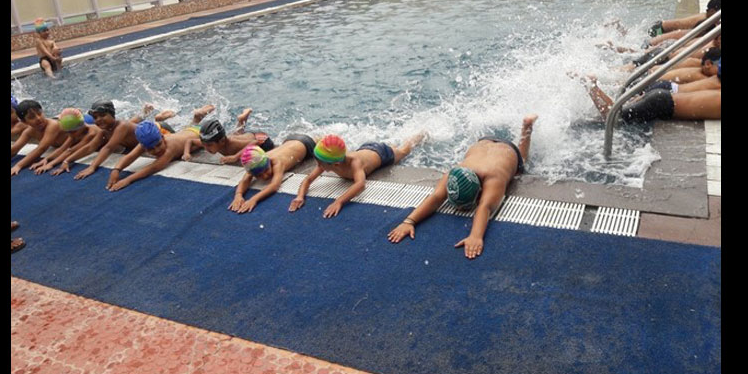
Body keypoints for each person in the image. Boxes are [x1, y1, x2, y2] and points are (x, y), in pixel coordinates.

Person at [388, 115, 538, 259]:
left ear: (480, 191)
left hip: (505, 149)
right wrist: (408, 222)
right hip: (483, 145)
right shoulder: (455, 173)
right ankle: (527, 123)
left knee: (522, 162)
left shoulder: (494, 178)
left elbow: (484, 207)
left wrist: (475, 236)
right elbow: (436, 197)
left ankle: (527, 127)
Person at [289, 132, 427, 218]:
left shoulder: (355, 164)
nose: (318, 166)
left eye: (320, 164)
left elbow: (360, 184)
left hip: (381, 153)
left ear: (335, 164)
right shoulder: (329, 162)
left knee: (403, 151)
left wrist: (339, 201)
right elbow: (308, 180)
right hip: (364, 149)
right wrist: (300, 196)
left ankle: (420, 135)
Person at [49, 103, 174, 177]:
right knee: (130, 124)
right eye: (95, 118)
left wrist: (93, 167)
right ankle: (145, 114)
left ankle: (161, 118)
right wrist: (67, 161)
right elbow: (90, 147)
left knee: (129, 125)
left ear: (112, 114)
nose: (98, 120)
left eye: (103, 116)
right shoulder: (105, 130)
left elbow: (108, 148)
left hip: (161, 130)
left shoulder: (121, 127)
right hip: (135, 133)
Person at [584, 61, 721, 123]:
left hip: (664, 96)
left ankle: (592, 86)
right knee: (614, 117)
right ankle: (592, 86)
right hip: (661, 103)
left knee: (616, 112)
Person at [228, 134, 317, 213]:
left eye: (266, 170)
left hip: (306, 143)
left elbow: (274, 185)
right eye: (259, 175)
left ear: (268, 162)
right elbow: (245, 180)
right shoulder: (254, 163)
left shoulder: (276, 162)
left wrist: (253, 199)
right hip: (289, 141)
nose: (265, 176)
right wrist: (238, 195)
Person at [105, 120, 203, 191]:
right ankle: (196, 118)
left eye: (158, 145)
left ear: (162, 138)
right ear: (143, 146)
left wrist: (127, 180)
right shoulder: (148, 141)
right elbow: (131, 156)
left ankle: (197, 118)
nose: (157, 150)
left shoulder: (170, 148)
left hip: (200, 132)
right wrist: (116, 169)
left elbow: (153, 168)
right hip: (187, 131)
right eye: (150, 149)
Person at [186, 108, 275, 163]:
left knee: (268, 147)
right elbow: (190, 141)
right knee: (236, 134)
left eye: (209, 145)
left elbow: (256, 142)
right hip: (242, 136)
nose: (205, 148)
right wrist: (186, 153)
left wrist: (235, 157)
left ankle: (242, 120)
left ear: (221, 141)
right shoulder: (208, 143)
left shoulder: (232, 144)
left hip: (257, 136)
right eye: (204, 144)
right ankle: (242, 120)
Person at [31, 108, 102, 175]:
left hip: (88, 121)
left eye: (72, 132)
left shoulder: (91, 134)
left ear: (80, 126)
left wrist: (51, 164)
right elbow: (63, 148)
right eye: (68, 132)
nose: (70, 135)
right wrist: (47, 159)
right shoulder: (74, 133)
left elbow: (71, 151)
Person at [11, 100, 70, 176]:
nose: (38, 118)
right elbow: (15, 149)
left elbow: (42, 148)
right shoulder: (29, 131)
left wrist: (18, 165)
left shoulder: (52, 125)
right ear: (24, 122)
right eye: (32, 117)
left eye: (39, 113)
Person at [648, 0, 721, 39]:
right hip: (658, 29)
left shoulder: (706, 17)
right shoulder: (701, 19)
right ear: (711, 11)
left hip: (660, 28)